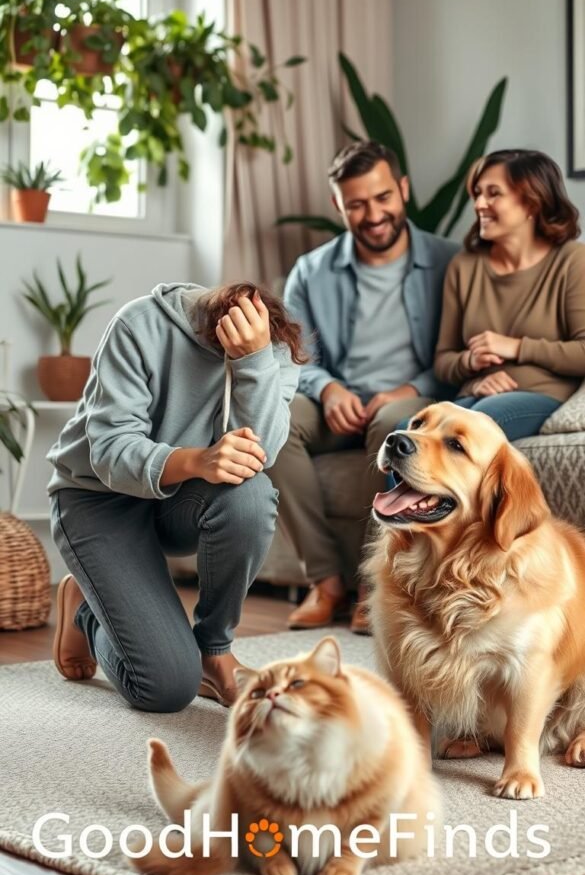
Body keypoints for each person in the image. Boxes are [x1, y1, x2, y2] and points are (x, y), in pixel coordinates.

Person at [48, 281, 302, 712]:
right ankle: (86, 610)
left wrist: (255, 361)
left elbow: (259, 454)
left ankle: (214, 651)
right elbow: (109, 450)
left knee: (252, 495)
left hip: (176, 501)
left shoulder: (271, 348)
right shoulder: (140, 325)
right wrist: (200, 461)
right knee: (165, 688)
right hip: (96, 500)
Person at [268, 140, 458, 633]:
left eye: (382, 199)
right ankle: (326, 582)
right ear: (339, 205)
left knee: (397, 425)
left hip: (409, 400)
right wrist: (328, 388)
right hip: (338, 401)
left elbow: (457, 355)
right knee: (274, 422)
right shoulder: (311, 271)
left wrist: (407, 388)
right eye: (356, 204)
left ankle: (374, 589)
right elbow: (292, 356)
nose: (372, 214)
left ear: (403, 190)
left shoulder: (450, 262)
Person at [434, 148, 585, 438]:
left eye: (494, 193)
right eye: (477, 193)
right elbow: (442, 360)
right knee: (405, 432)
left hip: (540, 394)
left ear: (531, 203)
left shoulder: (572, 261)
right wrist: (471, 366)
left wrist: (516, 347)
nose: (479, 203)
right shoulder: (463, 267)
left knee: (465, 432)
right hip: (476, 396)